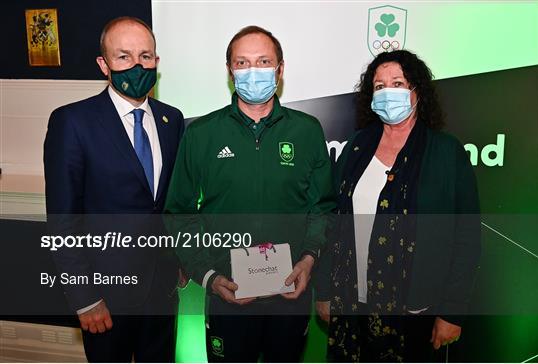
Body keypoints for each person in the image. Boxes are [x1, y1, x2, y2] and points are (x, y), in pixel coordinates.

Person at [164, 25, 335, 362]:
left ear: (280, 69)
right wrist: (209, 276)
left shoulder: (307, 130)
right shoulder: (201, 134)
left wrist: (309, 258)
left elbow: (323, 206)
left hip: (290, 295)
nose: (253, 71)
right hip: (228, 296)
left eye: (263, 61)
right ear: (230, 71)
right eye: (242, 63)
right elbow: (180, 213)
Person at [315, 50, 481, 362]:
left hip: (415, 313)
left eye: (398, 83)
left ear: (417, 91)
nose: (388, 92)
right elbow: (332, 223)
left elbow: (467, 239)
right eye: (379, 86)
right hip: (352, 305)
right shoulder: (356, 147)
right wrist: (324, 291)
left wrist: (452, 312)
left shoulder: (447, 153)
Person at [43, 16, 184, 362]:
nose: (137, 65)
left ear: (156, 62)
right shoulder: (72, 122)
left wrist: (181, 259)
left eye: (145, 56)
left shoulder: (172, 119)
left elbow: (169, 203)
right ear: (103, 64)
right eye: (124, 57)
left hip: (163, 290)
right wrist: (84, 298)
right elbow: (63, 221)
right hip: (105, 295)